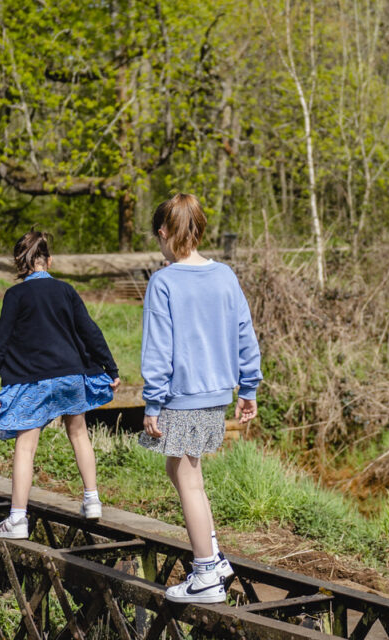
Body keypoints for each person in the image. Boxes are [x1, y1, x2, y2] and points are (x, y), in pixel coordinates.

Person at [140, 193, 261, 604]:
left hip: (183, 395)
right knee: (180, 470)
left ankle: (206, 574)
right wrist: (248, 388)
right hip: (215, 395)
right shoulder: (225, 275)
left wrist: (152, 402)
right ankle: (214, 554)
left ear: (163, 233)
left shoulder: (164, 281)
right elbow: (245, 332)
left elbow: (158, 347)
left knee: (188, 478)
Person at [0, 231, 121, 538]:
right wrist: (110, 367)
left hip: (34, 382)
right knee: (79, 433)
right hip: (70, 376)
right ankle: (92, 499)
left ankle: (17, 519)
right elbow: (90, 331)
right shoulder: (65, 290)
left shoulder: (15, 296)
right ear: (49, 260)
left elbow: (0, 341)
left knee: (26, 446)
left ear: (20, 263)